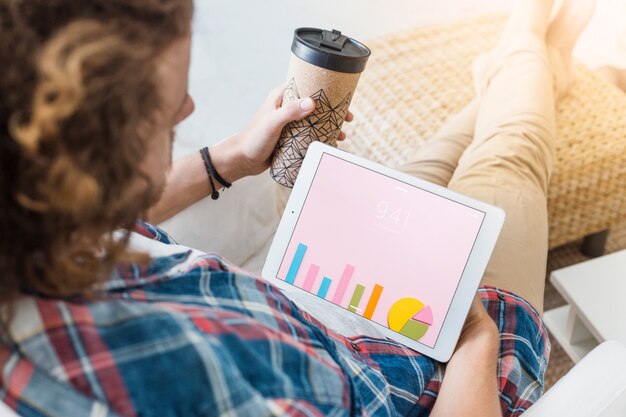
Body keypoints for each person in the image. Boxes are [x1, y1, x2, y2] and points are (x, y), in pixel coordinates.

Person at [0, 0, 594, 416]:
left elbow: (98, 217)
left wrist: (230, 157)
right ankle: (530, 39)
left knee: (437, 158)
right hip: (441, 362)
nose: (188, 107)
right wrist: (472, 338)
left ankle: (533, 61)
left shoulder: (29, 235)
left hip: (328, 290)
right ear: (88, 160)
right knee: (511, 156)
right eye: (163, 113)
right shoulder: (146, 389)